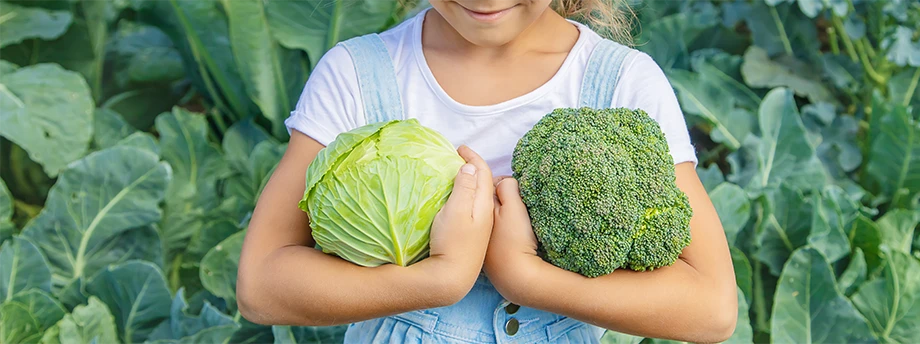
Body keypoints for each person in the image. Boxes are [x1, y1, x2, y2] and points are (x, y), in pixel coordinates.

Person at [236, 1, 738, 343]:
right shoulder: (357, 76)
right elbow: (261, 286)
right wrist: (442, 277)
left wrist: (525, 277)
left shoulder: (620, 84)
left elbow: (712, 309)